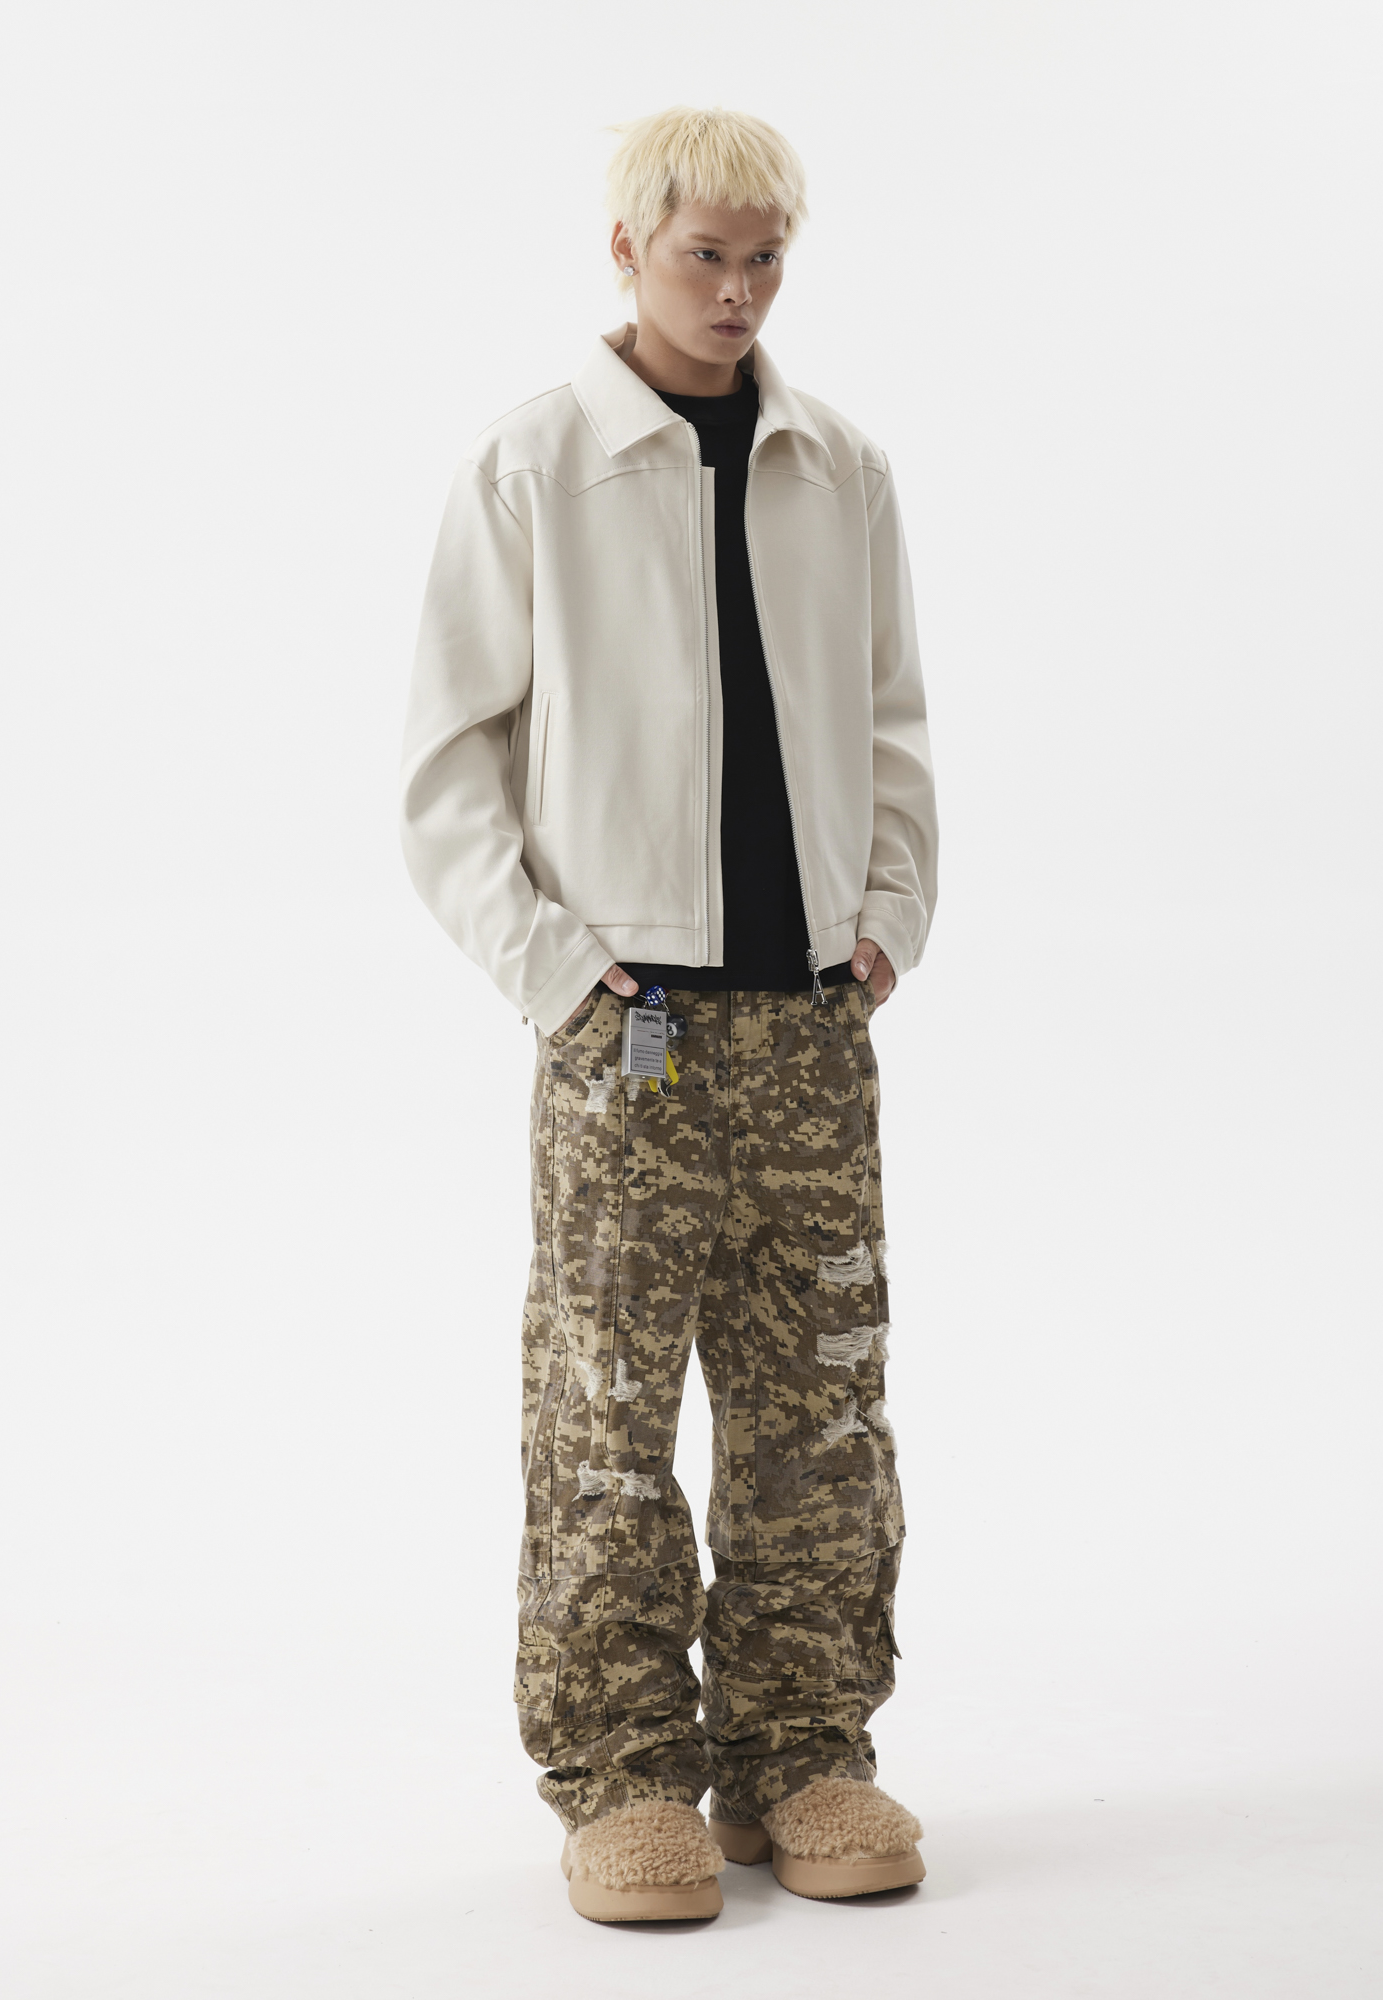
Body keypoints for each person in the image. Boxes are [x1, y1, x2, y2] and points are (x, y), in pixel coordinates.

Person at [399, 105, 938, 1923]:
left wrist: (888, 920)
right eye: (706, 254)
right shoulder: (534, 468)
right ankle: (625, 1774)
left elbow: (893, 722)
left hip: (810, 1027)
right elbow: (445, 767)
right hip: (629, 1035)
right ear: (627, 248)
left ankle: (801, 1751)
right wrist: (554, 968)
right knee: (607, 1410)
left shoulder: (838, 467)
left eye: (765, 258)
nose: (739, 290)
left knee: (823, 1403)